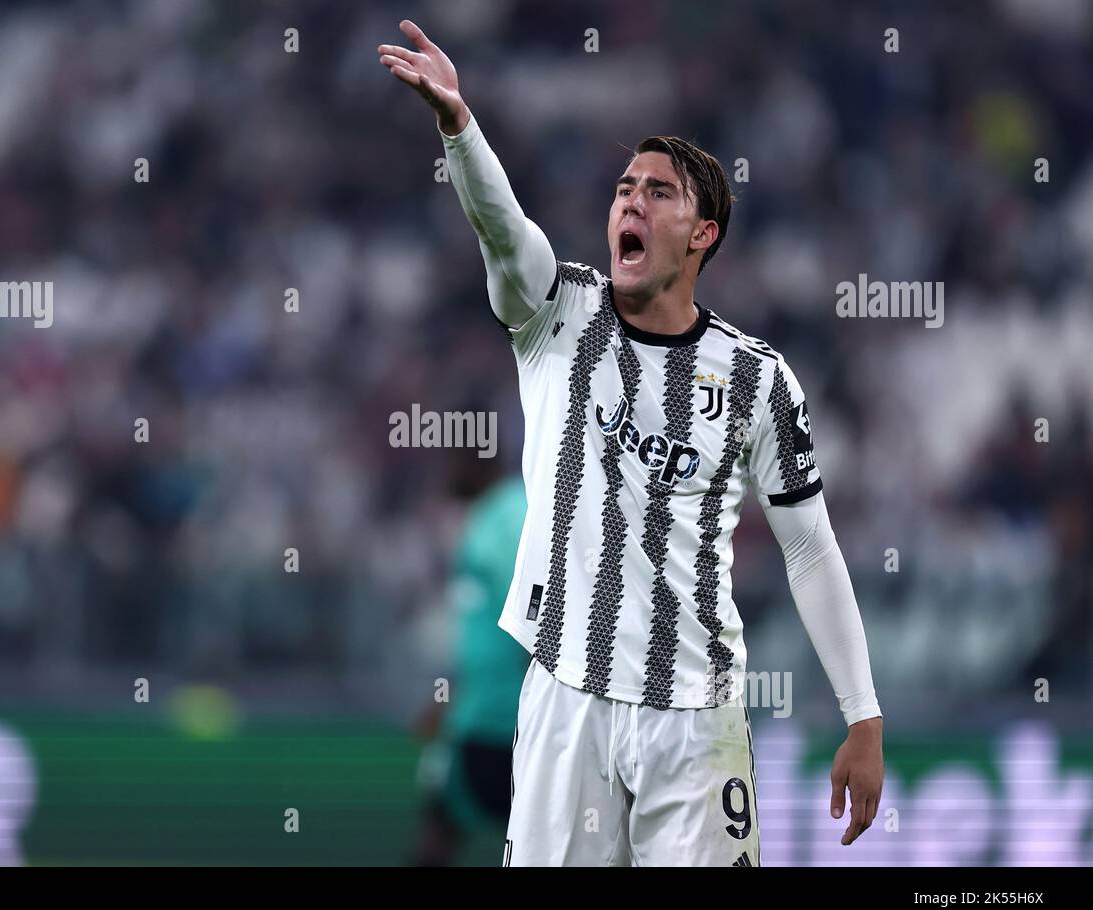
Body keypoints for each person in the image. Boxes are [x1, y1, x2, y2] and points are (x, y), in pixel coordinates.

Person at [378, 19, 884, 866]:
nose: (630, 201)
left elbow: (811, 551)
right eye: (623, 188)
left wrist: (862, 715)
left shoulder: (758, 378)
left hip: (696, 716)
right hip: (563, 699)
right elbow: (503, 228)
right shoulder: (557, 316)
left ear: (702, 234)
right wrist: (459, 128)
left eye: (658, 191)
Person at [411, 473, 530, 866]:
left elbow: (530, 611)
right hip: (482, 717)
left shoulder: (504, 514)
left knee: (446, 830)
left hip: (504, 722)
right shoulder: (491, 515)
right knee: (442, 822)